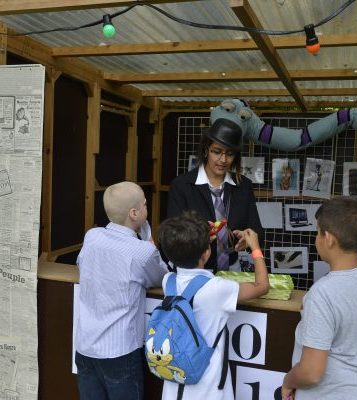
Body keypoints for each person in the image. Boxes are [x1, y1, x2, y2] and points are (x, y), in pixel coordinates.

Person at [282, 196, 357, 400]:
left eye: (317, 232)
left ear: (328, 238)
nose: (316, 238)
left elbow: (311, 372)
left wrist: (288, 381)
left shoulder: (321, 294)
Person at [157, 210, 269, 400]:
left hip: (174, 382)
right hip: (207, 386)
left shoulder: (168, 282)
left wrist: (199, 235)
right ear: (207, 252)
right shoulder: (217, 288)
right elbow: (262, 286)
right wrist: (255, 248)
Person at [74, 181, 168, 400]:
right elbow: (161, 276)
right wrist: (148, 241)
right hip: (120, 351)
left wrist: (143, 231)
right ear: (134, 213)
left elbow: (81, 263)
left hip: (85, 346)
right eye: (145, 205)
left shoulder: (92, 236)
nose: (148, 208)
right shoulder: (142, 252)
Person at [167, 118, 262, 273]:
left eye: (230, 154)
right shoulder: (182, 186)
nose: (223, 160)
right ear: (206, 150)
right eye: (217, 152)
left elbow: (257, 229)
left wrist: (248, 239)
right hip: (195, 269)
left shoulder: (243, 186)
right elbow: (172, 236)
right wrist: (199, 237)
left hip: (233, 269)